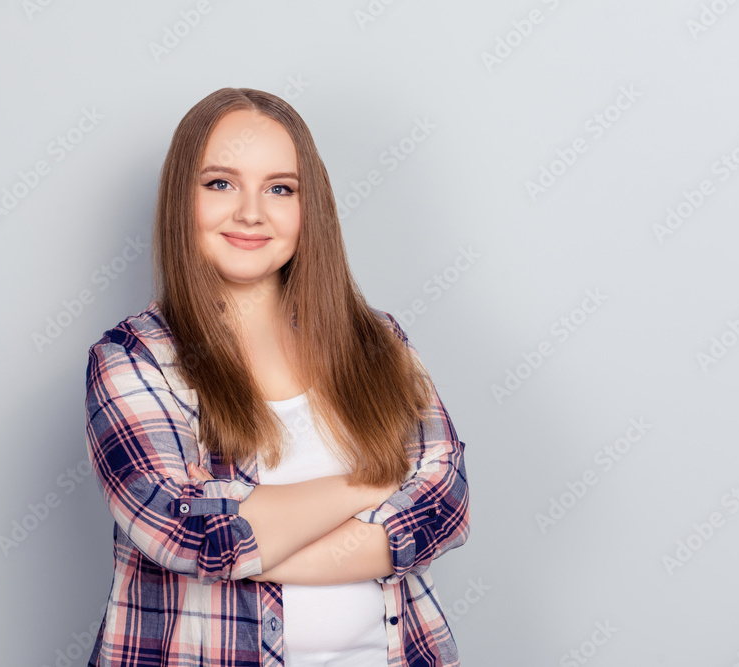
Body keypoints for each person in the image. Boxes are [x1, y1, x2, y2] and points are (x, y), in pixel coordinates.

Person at [84, 87, 469, 667]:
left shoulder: (378, 342)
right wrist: (372, 481)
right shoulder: (132, 358)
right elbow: (183, 530)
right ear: (179, 200)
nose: (251, 212)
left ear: (308, 207)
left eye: (280, 188)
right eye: (220, 183)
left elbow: (444, 505)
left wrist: (260, 534)